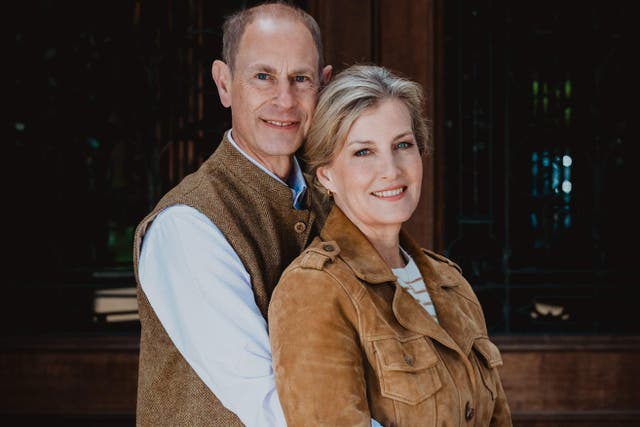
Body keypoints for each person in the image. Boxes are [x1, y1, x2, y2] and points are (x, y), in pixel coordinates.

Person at [269, 64, 513, 426]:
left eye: (403, 145)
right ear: (326, 175)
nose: (392, 170)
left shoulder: (451, 283)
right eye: (363, 152)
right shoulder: (314, 290)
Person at [133, 2, 332, 426]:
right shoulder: (187, 225)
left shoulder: (332, 203)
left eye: (301, 79)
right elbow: (272, 406)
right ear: (224, 84)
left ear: (324, 86)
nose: (285, 100)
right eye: (263, 76)